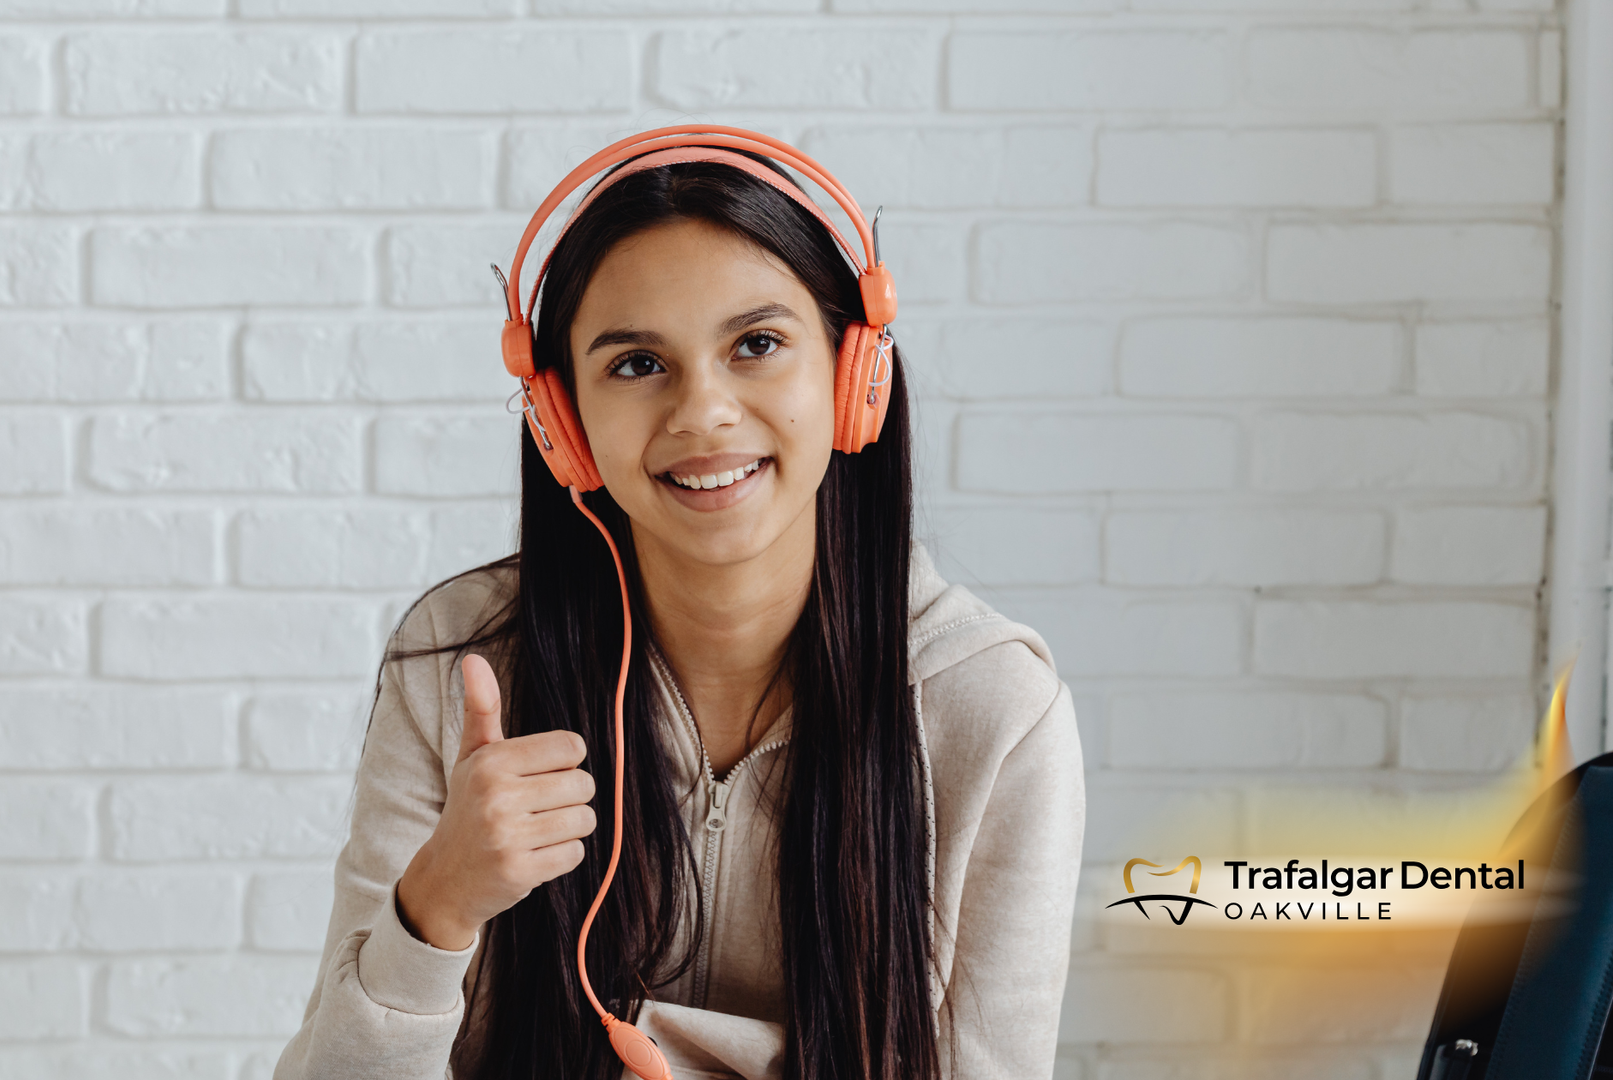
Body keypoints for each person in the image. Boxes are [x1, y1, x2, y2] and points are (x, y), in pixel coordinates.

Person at [273, 130, 1086, 1080]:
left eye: (757, 344)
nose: (703, 412)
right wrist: (437, 908)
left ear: (853, 378)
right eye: (635, 364)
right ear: (562, 421)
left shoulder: (991, 712)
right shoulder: (465, 661)